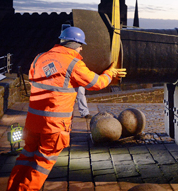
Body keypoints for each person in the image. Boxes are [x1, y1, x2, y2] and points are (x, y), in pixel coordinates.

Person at [7, 27, 126, 190]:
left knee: (25, 158)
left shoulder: (39, 58)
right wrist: (110, 73)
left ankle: (12, 188)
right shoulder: (73, 63)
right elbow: (96, 83)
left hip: (33, 123)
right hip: (54, 126)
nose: (82, 48)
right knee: (41, 165)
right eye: (80, 45)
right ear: (73, 44)